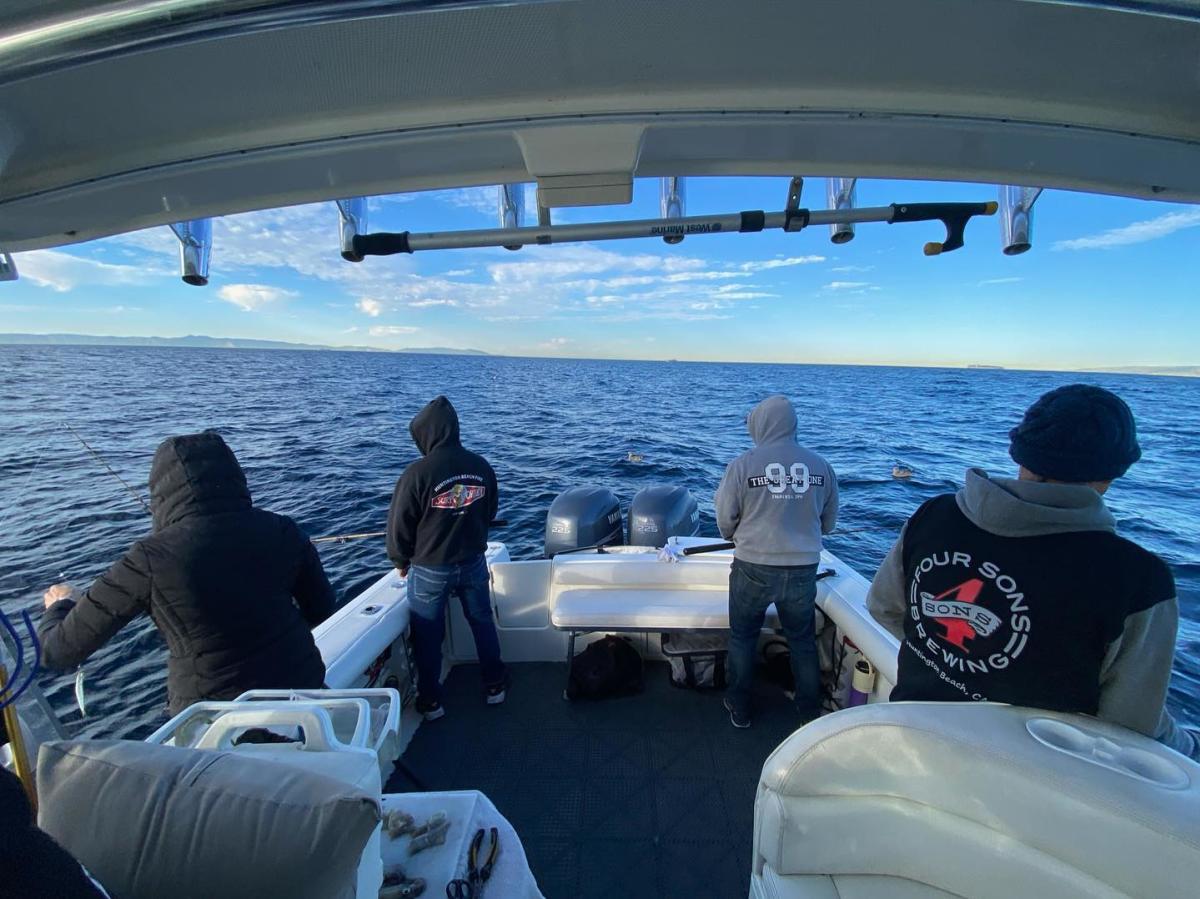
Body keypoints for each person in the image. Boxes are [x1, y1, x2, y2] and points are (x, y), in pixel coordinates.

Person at [867, 384, 1199, 760]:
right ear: (1114, 471)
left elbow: (883, 608)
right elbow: (1130, 727)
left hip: (910, 745)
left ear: (1020, 452)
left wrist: (952, 663)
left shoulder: (934, 515)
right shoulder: (1141, 579)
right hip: (1028, 790)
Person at [39, 431, 335, 714]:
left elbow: (59, 652)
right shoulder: (284, 530)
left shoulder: (147, 559)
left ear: (160, 492)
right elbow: (322, 609)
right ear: (234, 476)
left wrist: (60, 605)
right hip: (305, 688)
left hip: (213, 716)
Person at [716, 395, 839, 729]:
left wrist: (736, 533)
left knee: (743, 636)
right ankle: (809, 713)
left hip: (752, 566)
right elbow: (828, 525)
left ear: (761, 424)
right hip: (802, 569)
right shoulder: (821, 466)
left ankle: (739, 707)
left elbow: (726, 522)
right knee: (801, 640)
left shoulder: (742, 465)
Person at [386, 396, 505, 721]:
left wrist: (400, 560)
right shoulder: (481, 466)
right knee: (482, 622)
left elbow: (400, 526)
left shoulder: (416, 473)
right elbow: (490, 510)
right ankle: (495, 686)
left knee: (427, 634)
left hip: (429, 570)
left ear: (426, 434)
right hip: (473, 563)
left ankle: (431, 702)